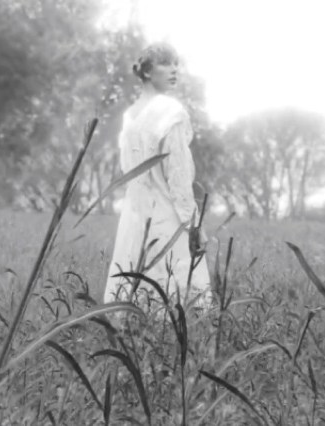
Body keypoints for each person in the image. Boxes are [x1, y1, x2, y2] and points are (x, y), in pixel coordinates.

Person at [103, 42, 211, 306]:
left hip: (134, 218)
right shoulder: (170, 111)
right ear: (147, 71)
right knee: (174, 296)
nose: (174, 70)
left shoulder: (130, 117)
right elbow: (178, 176)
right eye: (165, 63)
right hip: (166, 216)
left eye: (176, 64)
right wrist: (194, 226)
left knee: (136, 290)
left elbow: (128, 170)